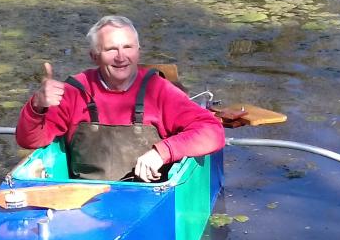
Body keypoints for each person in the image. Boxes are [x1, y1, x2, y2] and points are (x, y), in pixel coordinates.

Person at [16, 15, 225, 182]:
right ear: (94, 56)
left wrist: (161, 152)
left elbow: (213, 132)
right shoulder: (75, 91)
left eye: (128, 47)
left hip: (147, 200)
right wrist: (37, 106)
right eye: (110, 49)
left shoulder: (158, 90)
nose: (121, 57)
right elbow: (29, 140)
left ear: (138, 52)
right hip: (85, 202)